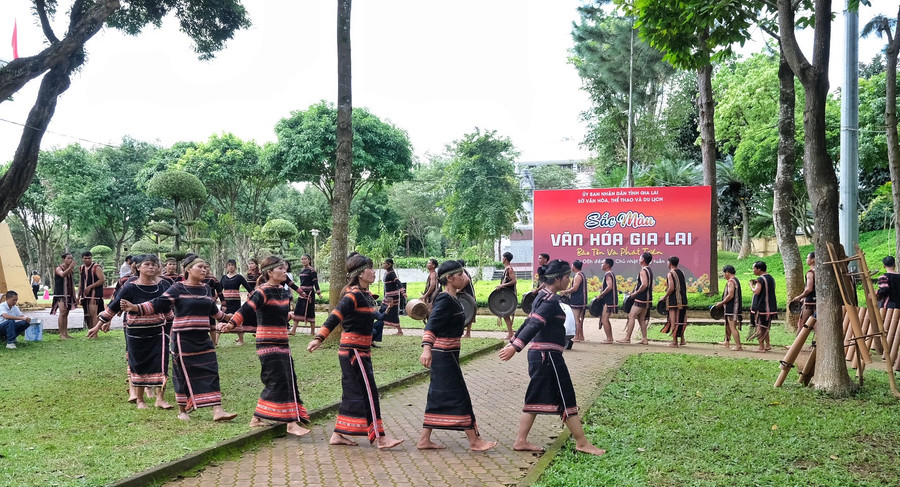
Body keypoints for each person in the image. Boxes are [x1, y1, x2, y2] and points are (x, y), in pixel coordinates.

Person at [498, 259, 605, 456]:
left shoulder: (541, 297)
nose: (568, 281)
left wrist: (514, 341)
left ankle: (521, 440)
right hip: (548, 357)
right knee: (566, 396)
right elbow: (534, 324)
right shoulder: (550, 301)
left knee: (535, 396)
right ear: (557, 279)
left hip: (541, 356)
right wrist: (515, 346)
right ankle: (582, 442)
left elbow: (528, 321)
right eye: (567, 277)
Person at [120, 255, 237, 422]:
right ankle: (182, 410)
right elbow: (157, 303)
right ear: (188, 269)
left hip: (203, 338)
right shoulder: (178, 288)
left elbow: (214, 311)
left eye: (206, 267)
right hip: (182, 339)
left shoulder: (206, 289)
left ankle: (217, 410)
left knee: (211, 370)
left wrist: (230, 318)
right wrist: (135, 307)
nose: (205, 270)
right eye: (200, 267)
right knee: (182, 373)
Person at [307, 254, 404, 449]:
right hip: (353, 352)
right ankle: (380, 438)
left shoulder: (365, 296)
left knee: (353, 394)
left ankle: (338, 434)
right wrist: (319, 338)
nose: (373, 271)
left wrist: (386, 308)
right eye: (369, 268)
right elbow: (335, 316)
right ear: (360, 273)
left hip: (361, 351)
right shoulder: (352, 295)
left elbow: (375, 316)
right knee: (370, 392)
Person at [220, 256, 311, 437]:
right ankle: (290, 424)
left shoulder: (283, 291)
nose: (285, 271)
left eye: (285, 269)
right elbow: (246, 309)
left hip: (283, 342)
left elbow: (277, 313)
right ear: (270, 272)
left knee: (287, 378)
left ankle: (257, 418)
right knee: (277, 380)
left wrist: (289, 316)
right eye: (281, 269)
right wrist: (230, 324)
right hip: (267, 343)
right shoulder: (262, 291)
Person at [417, 260, 496, 451]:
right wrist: (426, 348)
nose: (464, 277)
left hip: (448, 355)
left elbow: (466, 282)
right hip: (442, 355)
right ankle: (474, 441)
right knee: (459, 396)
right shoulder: (445, 299)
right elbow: (431, 325)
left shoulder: (453, 298)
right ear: (450, 279)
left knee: (437, 396)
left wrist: (463, 278)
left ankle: (424, 440)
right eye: (459, 275)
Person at [90, 255, 173, 409]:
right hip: (136, 332)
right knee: (139, 364)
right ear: (138, 268)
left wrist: (173, 327)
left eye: (154, 264)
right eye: (147, 264)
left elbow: (168, 307)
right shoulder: (130, 287)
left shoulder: (163, 285)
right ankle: (140, 400)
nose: (151, 267)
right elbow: (114, 306)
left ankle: (160, 399)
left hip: (159, 332)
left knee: (162, 363)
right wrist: (97, 326)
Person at [621, 252, 653, 345]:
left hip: (641, 298)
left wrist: (635, 293)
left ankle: (627, 338)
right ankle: (644, 339)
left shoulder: (643, 271)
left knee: (631, 315)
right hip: (647, 298)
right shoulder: (649, 270)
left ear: (643, 259)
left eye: (640, 258)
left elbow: (644, 284)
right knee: (641, 318)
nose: (639, 259)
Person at [290, 254, 323, 336]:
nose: (303, 261)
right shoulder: (302, 271)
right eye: (302, 259)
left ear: (309, 260)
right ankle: (293, 330)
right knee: (298, 310)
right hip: (301, 293)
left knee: (310, 311)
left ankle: (312, 332)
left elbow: (315, 282)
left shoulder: (312, 270)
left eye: (305, 259)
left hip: (309, 294)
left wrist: (318, 293)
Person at [221, 259, 252, 345]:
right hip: (225, 303)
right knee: (222, 319)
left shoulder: (239, 277)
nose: (230, 267)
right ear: (226, 267)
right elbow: (219, 290)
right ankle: (215, 342)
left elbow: (248, 288)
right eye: (229, 265)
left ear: (235, 267)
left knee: (237, 319)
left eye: (232, 265)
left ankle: (241, 340)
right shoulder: (223, 278)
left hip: (235, 302)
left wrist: (254, 296)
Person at [750, 260, 777, 353]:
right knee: (765, 327)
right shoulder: (770, 278)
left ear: (759, 269)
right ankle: (768, 345)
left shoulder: (761, 279)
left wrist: (751, 286)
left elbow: (756, 291)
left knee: (759, 327)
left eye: (754, 268)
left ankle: (761, 347)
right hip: (770, 307)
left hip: (761, 307)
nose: (753, 270)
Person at [714, 265, 743, 351]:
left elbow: (730, 295)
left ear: (727, 272)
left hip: (732, 308)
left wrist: (721, 303)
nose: (724, 275)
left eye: (724, 273)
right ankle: (727, 341)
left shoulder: (731, 281)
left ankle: (738, 345)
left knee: (732, 326)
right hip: (731, 308)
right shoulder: (735, 280)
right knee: (728, 325)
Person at [662, 256, 688, 348]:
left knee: (673, 320)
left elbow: (671, 287)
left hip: (674, 300)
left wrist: (664, 297)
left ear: (670, 263)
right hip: (683, 299)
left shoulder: (670, 273)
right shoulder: (682, 272)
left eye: (667, 262)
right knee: (681, 319)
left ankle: (675, 342)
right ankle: (682, 339)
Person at [559, 260, 587, 343]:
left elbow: (575, 288)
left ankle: (577, 336)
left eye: (572, 265)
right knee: (579, 318)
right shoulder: (582, 274)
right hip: (581, 299)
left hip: (577, 300)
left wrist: (565, 292)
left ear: (574, 267)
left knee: (576, 319)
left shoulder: (578, 276)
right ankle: (581, 336)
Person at [51, 252, 77, 339]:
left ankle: (65, 333)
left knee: (66, 313)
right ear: (64, 259)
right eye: (68, 258)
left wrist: (74, 295)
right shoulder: (59, 268)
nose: (70, 260)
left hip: (68, 294)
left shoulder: (70, 270)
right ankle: (61, 334)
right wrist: (70, 267)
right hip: (60, 294)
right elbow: (62, 274)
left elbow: (71, 283)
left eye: (71, 258)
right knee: (62, 312)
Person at [79, 251, 106, 334]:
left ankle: (95, 333)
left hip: (95, 295)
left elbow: (102, 280)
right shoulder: (81, 268)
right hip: (85, 295)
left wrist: (90, 287)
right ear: (82, 259)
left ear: (92, 258)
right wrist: (78, 295)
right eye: (85, 258)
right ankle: (90, 331)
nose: (87, 260)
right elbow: (81, 281)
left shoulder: (96, 267)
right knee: (88, 315)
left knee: (93, 314)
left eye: (89, 258)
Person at [790, 252, 816, 332]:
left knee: (801, 324)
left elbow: (809, 289)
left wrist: (799, 297)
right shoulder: (822, 272)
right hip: (819, 301)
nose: (806, 260)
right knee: (817, 324)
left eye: (808, 258)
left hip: (810, 302)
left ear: (813, 260)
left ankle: (796, 344)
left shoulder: (810, 273)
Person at [495, 252, 517, 340]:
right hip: (505, 295)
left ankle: (510, 333)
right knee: (505, 314)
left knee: (505, 314)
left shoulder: (509, 269)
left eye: (503, 257)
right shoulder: (506, 269)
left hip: (508, 295)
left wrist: (502, 286)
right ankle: (510, 333)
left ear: (505, 259)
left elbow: (514, 281)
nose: (502, 259)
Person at [595, 259, 617, 344]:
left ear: (607, 265)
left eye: (602, 263)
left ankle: (609, 338)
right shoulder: (609, 274)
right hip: (609, 300)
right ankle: (610, 338)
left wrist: (601, 295)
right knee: (606, 319)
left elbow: (609, 287)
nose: (601, 264)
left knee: (604, 319)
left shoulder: (608, 274)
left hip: (609, 300)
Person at [381, 258, 405, 336]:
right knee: (383, 309)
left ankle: (399, 331)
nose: (383, 265)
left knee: (392, 311)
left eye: (385, 264)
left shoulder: (391, 273)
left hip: (392, 296)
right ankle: (380, 325)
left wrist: (403, 292)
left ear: (389, 265)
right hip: (388, 295)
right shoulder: (387, 272)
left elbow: (398, 282)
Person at [456, 259, 476, 338]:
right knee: (467, 313)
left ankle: (468, 333)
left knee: (468, 312)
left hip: (467, 294)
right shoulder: (463, 270)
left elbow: (467, 280)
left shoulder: (462, 271)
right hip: (468, 294)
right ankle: (466, 333)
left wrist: (459, 289)